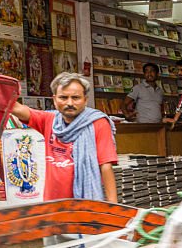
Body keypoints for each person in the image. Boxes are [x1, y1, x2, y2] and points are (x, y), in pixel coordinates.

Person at [11, 72, 118, 202]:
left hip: (86, 203)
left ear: (85, 99)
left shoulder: (98, 123)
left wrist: (113, 206)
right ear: (54, 100)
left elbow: (105, 166)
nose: (70, 103)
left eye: (76, 97)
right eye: (63, 97)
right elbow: (15, 107)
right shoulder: (49, 120)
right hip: (53, 203)